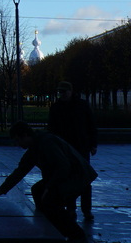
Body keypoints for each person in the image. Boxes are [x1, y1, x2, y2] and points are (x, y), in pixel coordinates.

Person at [0, 122, 96, 241]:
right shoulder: (34, 148)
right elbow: (19, 172)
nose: (18, 145)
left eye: (18, 140)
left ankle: (75, 234)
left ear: (26, 135)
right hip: (65, 175)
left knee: (50, 201)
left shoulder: (47, 142)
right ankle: (51, 225)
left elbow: (63, 166)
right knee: (37, 190)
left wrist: (49, 187)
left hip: (77, 176)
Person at [47, 81, 98, 222]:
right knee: (70, 179)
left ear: (70, 91)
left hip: (80, 147)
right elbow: (51, 128)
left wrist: (93, 144)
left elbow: (91, 125)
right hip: (66, 148)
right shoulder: (58, 107)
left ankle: (86, 210)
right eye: (60, 92)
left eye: (64, 91)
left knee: (84, 179)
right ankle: (72, 209)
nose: (62, 94)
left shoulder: (81, 106)